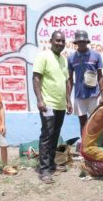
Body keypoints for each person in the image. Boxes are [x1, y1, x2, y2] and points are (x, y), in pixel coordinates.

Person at [33, 30, 72, 184]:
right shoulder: (43, 56)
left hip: (61, 105)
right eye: (57, 40)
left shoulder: (63, 59)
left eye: (62, 41)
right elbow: (36, 78)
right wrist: (40, 100)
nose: (60, 43)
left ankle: (51, 163)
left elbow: (66, 81)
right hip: (47, 104)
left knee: (55, 135)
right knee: (47, 135)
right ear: (51, 41)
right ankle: (44, 170)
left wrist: (68, 101)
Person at [67, 30, 103, 135]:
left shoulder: (96, 55)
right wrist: (68, 99)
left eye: (84, 41)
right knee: (82, 122)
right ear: (76, 43)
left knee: (96, 121)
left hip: (94, 95)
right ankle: (85, 145)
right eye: (79, 41)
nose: (81, 43)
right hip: (79, 95)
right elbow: (70, 79)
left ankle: (96, 145)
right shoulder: (71, 58)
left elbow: (100, 75)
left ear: (87, 42)